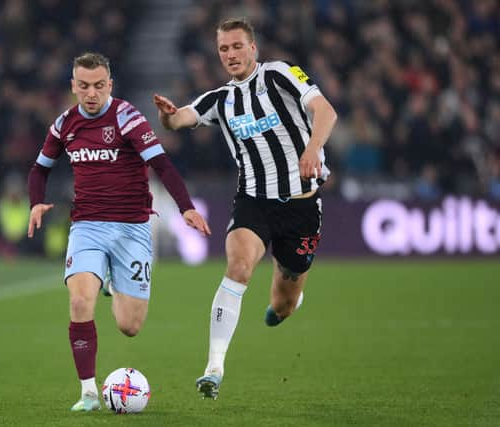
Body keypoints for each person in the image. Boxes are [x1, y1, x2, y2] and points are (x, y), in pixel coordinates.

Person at [153, 18, 337, 399]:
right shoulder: (220, 98)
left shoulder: (280, 74)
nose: (231, 54)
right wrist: (168, 115)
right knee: (237, 268)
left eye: (237, 46)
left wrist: (311, 148)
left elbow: (326, 111)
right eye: (224, 49)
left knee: (282, 305)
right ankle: (214, 368)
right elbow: (181, 119)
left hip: (301, 207)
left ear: (253, 48)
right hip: (253, 201)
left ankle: (289, 299)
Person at [27, 52, 211, 412]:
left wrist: (186, 206)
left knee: (130, 326)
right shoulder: (64, 124)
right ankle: (88, 392)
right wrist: (36, 201)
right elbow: (39, 169)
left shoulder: (127, 117)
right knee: (80, 301)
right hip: (87, 227)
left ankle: (112, 281)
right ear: (73, 86)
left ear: (109, 85)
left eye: (98, 86)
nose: (91, 93)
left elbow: (162, 164)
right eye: (83, 86)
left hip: (132, 228)